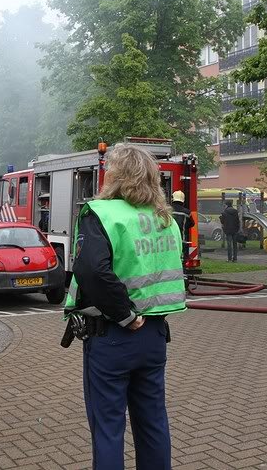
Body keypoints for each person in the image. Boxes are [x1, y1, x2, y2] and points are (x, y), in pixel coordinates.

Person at [64, 144, 186, 470]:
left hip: (113, 337)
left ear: (113, 176)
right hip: (155, 336)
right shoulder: (165, 220)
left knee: (108, 429)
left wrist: (125, 315)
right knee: (153, 424)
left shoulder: (101, 213)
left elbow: (91, 271)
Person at [170, 190, 195, 263]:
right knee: (182, 260)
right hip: (182, 240)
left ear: (173, 199)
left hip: (169, 240)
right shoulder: (187, 212)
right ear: (183, 201)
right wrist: (185, 226)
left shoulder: (167, 210)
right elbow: (192, 224)